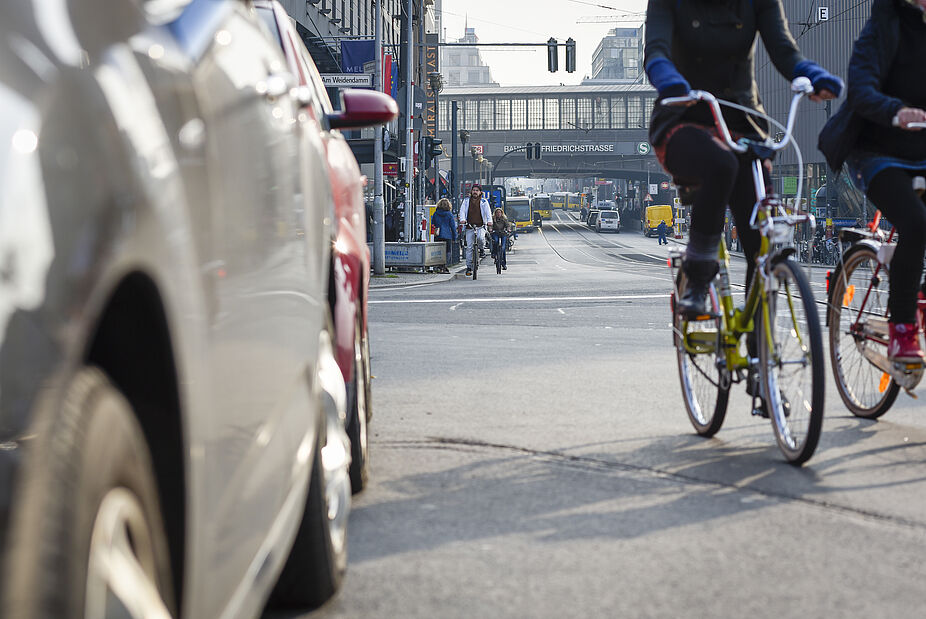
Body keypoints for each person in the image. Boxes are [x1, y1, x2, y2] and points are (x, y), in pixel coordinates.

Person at [644, 0, 842, 316]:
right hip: (684, 115)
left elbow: (783, 49)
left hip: (742, 122)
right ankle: (698, 271)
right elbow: (655, 52)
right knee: (722, 164)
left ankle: (758, 347)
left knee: (760, 242)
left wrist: (808, 73)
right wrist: (669, 80)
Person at [819, 0, 926, 363]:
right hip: (877, 154)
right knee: (915, 222)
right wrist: (896, 112)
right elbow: (861, 89)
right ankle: (903, 329)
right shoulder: (885, 24)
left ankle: (920, 293)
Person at [458, 184, 492, 277]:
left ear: (480, 192)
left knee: (481, 238)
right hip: (469, 226)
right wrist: (462, 219)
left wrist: (489, 221)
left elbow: (488, 212)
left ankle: (481, 249)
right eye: (474, 190)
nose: (475, 192)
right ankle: (469, 267)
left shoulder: (484, 202)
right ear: (471, 192)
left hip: (480, 226)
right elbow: (462, 211)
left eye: (477, 190)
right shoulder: (466, 201)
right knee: (469, 247)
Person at [431, 198, 457, 273]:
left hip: (438, 235)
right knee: (448, 252)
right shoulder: (449, 214)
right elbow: (453, 227)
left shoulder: (436, 214)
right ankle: (444, 265)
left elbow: (432, 224)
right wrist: (454, 237)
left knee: (438, 251)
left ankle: (439, 265)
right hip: (447, 236)